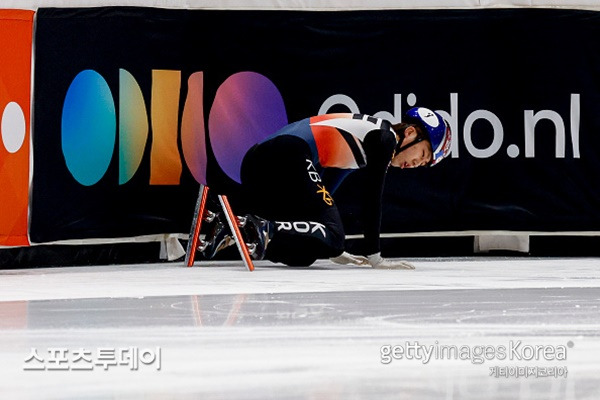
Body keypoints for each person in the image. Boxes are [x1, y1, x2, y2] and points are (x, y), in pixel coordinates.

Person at [201, 107, 451, 269]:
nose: (416, 163)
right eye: (424, 153)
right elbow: (372, 198)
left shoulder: (365, 144)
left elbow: (323, 193)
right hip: (285, 154)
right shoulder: (384, 138)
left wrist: (331, 246)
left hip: (264, 162)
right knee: (333, 236)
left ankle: (228, 221)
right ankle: (263, 228)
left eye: (424, 164)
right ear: (409, 133)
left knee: (305, 254)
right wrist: (374, 256)